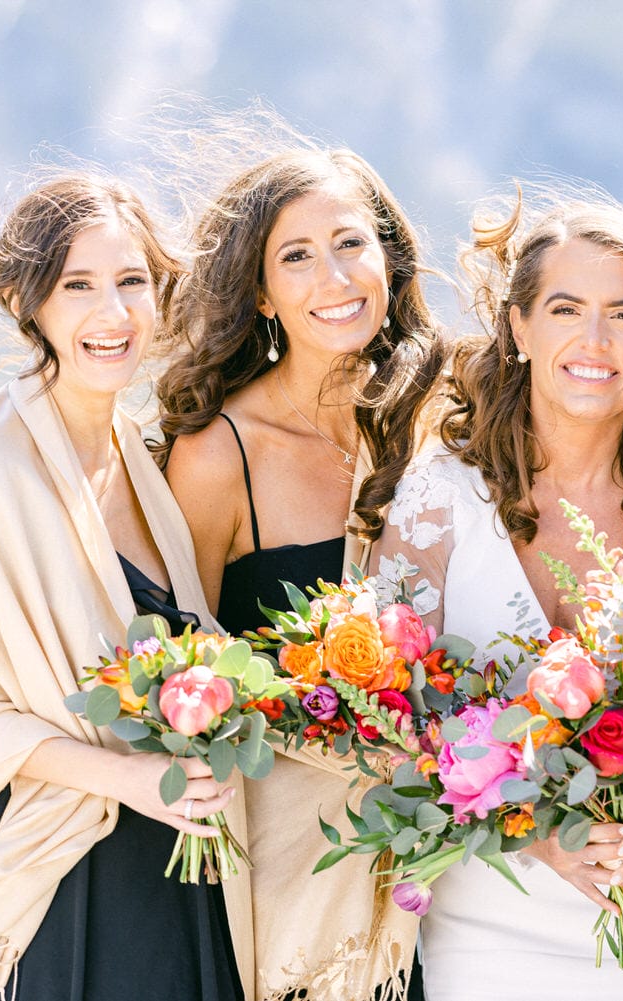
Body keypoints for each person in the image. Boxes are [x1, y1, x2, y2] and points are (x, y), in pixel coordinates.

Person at [0, 175, 246, 1000]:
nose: (112, 313)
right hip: (19, 861)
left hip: (154, 868)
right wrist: (134, 780)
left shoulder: (144, 462)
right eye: (78, 285)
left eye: (132, 281)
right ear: (28, 301)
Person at [372, 189, 623, 1000]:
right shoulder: (437, 502)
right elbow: (383, 721)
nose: (595, 340)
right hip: (484, 918)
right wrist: (534, 838)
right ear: (520, 328)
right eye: (566, 308)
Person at [159, 144, 447, 999]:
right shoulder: (218, 454)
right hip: (288, 868)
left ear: (388, 258)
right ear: (259, 294)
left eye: (351, 243)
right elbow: (183, 672)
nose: (334, 276)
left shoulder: (439, 422)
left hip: (451, 852)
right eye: (296, 256)